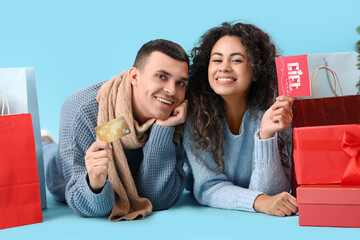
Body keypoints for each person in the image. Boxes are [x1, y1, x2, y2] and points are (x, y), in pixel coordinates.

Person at [42, 39, 189, 219]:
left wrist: (163, 129)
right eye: (161, 76)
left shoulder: (177, 113)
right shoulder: (83, 108)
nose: (172, 91)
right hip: (57, 171)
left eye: (181, 82)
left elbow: (158, 200)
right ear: (134, 76)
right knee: (39, 154)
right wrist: (95, 184)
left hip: (134, 177)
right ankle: (44, 141)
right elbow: (85, 204)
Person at [183, 22, 298, 217]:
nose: (224, 68)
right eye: (217, 60)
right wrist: (258, 202)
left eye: (236, 60)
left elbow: (273, 194)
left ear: (255, 70)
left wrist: (266, 135)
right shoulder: (196, 114)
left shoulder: (276, 108)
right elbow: (208, 187)